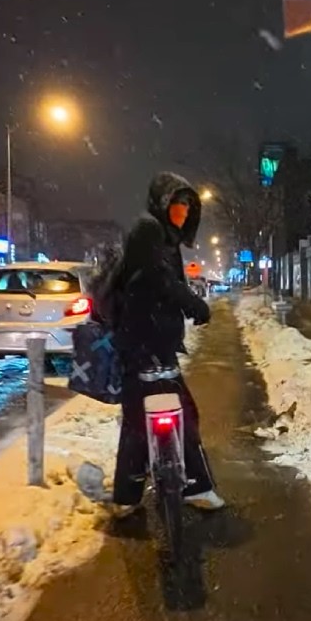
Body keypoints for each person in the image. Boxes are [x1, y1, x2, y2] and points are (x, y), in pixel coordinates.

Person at [103, 172, 224, 516]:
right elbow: (158, 279)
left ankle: (130, 495)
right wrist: (194, 304)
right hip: (140, 341)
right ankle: (192, 489)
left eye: (187, 205)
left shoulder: (162, 236)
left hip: (155, 341)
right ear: (162, 202)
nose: (183, 211)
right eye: (177, 203)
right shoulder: (148, 231)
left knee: (146, 418)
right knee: (165, 414)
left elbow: (162, 282)